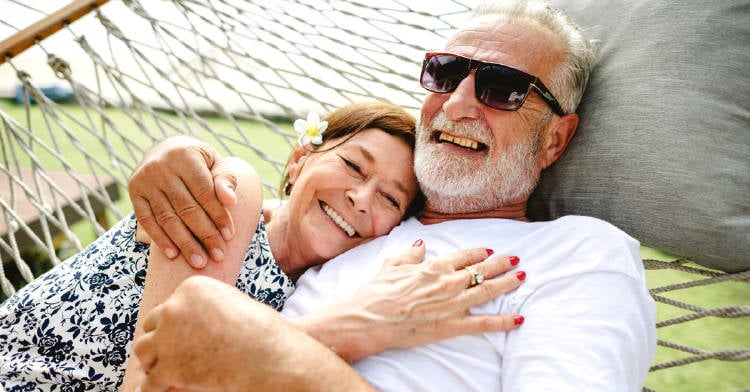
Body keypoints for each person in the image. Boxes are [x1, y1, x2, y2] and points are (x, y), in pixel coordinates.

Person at [130, 0, 657, 390]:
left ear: (554, 138)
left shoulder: (581, 254)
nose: (457, 105)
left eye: (502, 87)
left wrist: (257, 355)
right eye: (446, 74)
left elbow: (208, 347)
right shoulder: (360, 229)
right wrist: (183, 155)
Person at [0, 101, 526, 391]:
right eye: (351, 165)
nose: (361, 198)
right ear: (299, 161)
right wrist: (358, 325)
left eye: (390, 197)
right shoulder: (236, 193)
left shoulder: (308, 293)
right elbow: (155, 377)